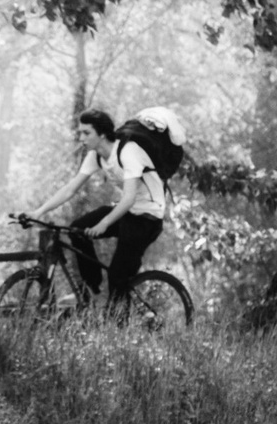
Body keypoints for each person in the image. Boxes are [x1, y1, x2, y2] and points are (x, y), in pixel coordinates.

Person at [20, 107, 183, 308]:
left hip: (147, 217)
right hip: (128, 211)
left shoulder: (128, 151)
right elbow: (70, 189)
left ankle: (118, 326)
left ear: (102, 134)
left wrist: (104, 224)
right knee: (78, 230)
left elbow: (129, 197)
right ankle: (91, 289)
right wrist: (38, 212)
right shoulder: (96, 155)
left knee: (117, 275)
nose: (81, 137)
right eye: (80, 132)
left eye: (86, 133)